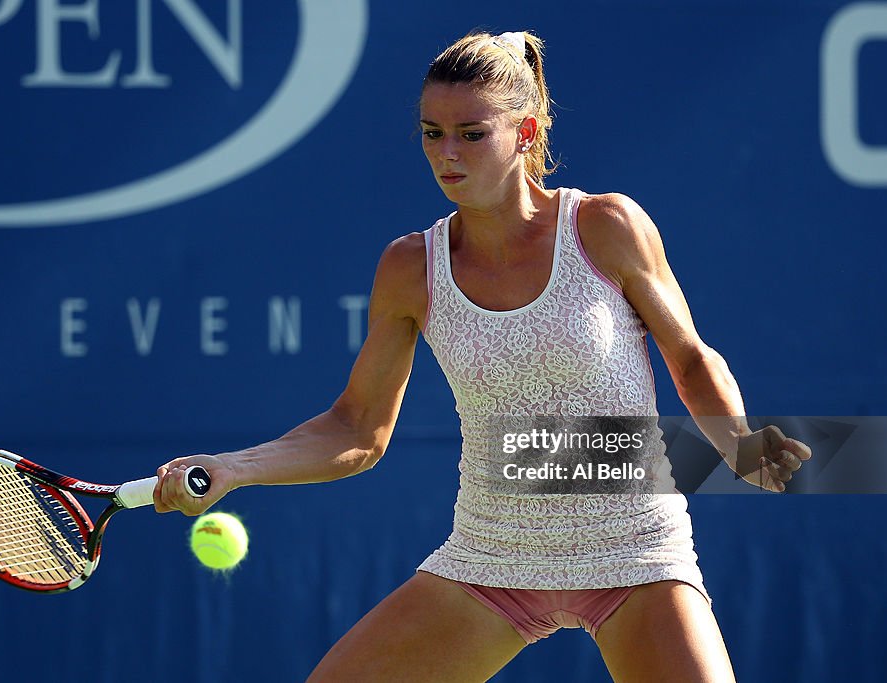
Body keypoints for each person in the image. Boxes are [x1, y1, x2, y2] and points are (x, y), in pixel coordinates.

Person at [153, 30, 811, 682]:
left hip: (635, 554)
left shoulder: (606, 228)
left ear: (524, 134)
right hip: (490, 561)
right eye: (431, 132)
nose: (448, 152)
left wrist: (741, 443)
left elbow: (690, 360)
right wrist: (232, 467)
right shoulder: (411, 267)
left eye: (472, 133)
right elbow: (357, 429)